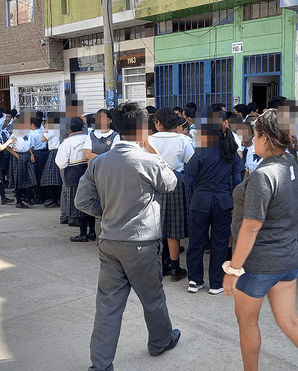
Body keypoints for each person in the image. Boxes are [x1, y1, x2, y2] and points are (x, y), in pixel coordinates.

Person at [74, 102, 181, 371]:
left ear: (114, 127)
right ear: (145, 128)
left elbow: (82, 201)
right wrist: (156, 154)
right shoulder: (149, 160)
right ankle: (160, 341)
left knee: (108, 305)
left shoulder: (99, 162)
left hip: (109, 241)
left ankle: (100, 364)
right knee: (153, 297)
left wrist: (108, 212)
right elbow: (171, 183)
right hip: (142, 243)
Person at [223, 108, 298, 371]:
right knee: (290, 320)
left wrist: (233, 269)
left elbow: (250, 227)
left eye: (256, 134)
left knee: (247, 323)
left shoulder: (263, 175)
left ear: (266, 138)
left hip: (257, 264)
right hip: (288, 258)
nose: (253, 138)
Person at [185, 110, 244, 295]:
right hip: (223, 202)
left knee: (196, 242)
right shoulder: (232, 152)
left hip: (200, 201)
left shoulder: (201, 151)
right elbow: (237, 180)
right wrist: (235, 202)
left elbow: (188, 178)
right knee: (219, 243)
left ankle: (195, 281)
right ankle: (216, 284)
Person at [144, 107, 194, 281]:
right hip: (175, 183)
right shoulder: (183, 140)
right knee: (173, 227)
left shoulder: (148, 140)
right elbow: (191, 162)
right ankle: (174, 267)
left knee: (155, 226)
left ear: (158, 123)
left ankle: (158, 264)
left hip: (152, 184)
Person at [55, 117, 91, 241]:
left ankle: (83, 234)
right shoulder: (89, 138)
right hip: (89, 174)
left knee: (79, 205)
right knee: (91, 203)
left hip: (73, 176)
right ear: (82, 126)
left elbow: (61, 163)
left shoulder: (66, 142)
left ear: (70, 128)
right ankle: (92, 232)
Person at [39, 113, 63, 208]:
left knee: (52, 178)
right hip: (59, 151)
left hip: (54, 152)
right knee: (57, 177)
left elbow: (42, 139)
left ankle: (55, 200)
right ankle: (57, 199)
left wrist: (46, 128)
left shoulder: (52, 129)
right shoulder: (60, 127)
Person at [29, 117, 48, 204]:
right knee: (43, 175)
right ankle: (44, 195)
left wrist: (31, 154)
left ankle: (39, 197)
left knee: (36, 176)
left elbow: (31, 146)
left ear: (33, 125)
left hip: (36, 153)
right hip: (44, 153)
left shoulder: (32, 134)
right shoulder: (43, 131)